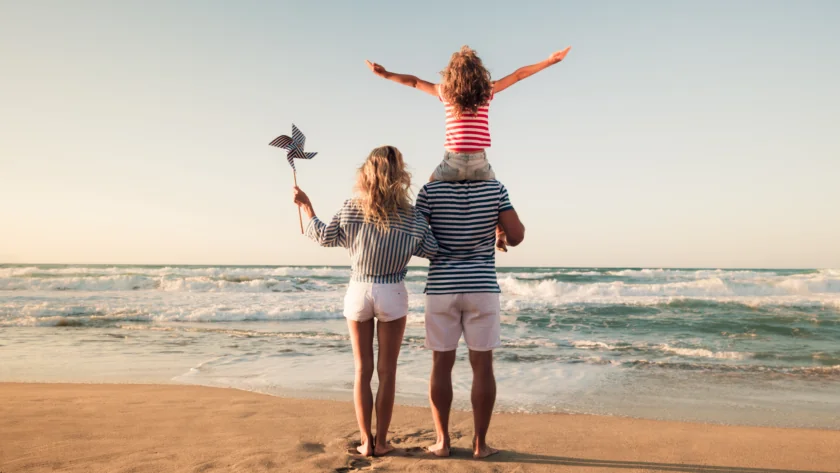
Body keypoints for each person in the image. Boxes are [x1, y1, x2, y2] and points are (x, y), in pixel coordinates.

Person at [292, 145, 438, 457]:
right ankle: (383, 441)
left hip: (359, 290)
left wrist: (307, 208)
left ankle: (365, 442)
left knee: (362, 370)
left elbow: (327, 237)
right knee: (388, 371)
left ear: (367, 174)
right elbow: (433, 250)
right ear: (400, 176)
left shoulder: (352, 208)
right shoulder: (412, 216)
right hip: (393, 292)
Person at [365, 44, 568, 250]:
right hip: (479, 162)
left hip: (452, 161)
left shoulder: (444, 92)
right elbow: (518, 75)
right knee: (497, 198)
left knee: (429, 189)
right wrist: (549, 61)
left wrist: (386, 75)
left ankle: (419, 236)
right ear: (479, 73)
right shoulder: (487, 91)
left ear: (450, 74)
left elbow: (415, 82)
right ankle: (500, 232)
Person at [414, 177, 525, 459]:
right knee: (483, 365)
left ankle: (442, 442)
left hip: (441, 287)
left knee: (441, 363)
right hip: (481, 287)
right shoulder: (495, 189)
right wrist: (498, 229)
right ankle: (480, 445)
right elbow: (517, 235)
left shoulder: (430, 190)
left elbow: (416, 237)